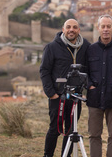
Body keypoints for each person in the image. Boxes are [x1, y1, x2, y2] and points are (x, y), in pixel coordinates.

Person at [40, 18, 90, 157]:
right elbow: (44, 70)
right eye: (68, 27)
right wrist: (51, 93)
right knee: (54, 129)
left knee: (70, 130)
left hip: (76, 97)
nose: (71, 30)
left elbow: (97, 51)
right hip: (58, 96)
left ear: (79, 30)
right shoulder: (52, 47)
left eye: (74, 27)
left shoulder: (85, 46)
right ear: (63, 29)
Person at [86, 14, 112, 157]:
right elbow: (84, 71)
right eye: (103, 26)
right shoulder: (90, 49)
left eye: (108, 26)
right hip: (94, 99)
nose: (105, 29)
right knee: (94, 135)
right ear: (98, 28)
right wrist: (89, 85)